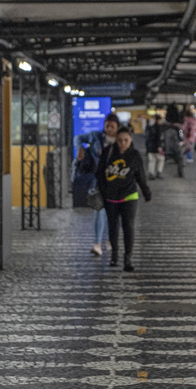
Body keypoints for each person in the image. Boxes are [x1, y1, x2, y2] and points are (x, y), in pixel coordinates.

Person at [96, 126, 151, 272]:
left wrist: (146, 193)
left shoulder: (134, 155)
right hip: (111, 197)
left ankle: (128, 258)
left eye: (126, 140)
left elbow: (141, 176)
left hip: (129, 195)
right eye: (119, 140)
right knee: (113, 227)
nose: (122, 143)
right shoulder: (108, 153)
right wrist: (104, 191)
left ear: (131, 140)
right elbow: (100, 174)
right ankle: (114, 256)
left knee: (128, 226)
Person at [74, 113, 120, 257]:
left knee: (112, 213)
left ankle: (110, 240)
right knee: (98, 210)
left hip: (115, 181)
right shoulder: (95, 136)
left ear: (117, 127)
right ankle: (97, 243)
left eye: (112, 126)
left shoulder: (121, 140)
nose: (109, 129)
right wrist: (79, 148)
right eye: (107, 125)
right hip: (97, 180)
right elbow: (78, 137)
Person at [145, 115, 166, 179]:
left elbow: (148, 138)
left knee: (152, 160)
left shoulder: (151, 127)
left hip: (150, 147)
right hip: (157, 147)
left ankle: (151, 173)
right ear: (158, 120)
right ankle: (159, 172)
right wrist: (159, 146)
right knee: (161, 159)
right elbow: (159, 138)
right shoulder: (159, 128)